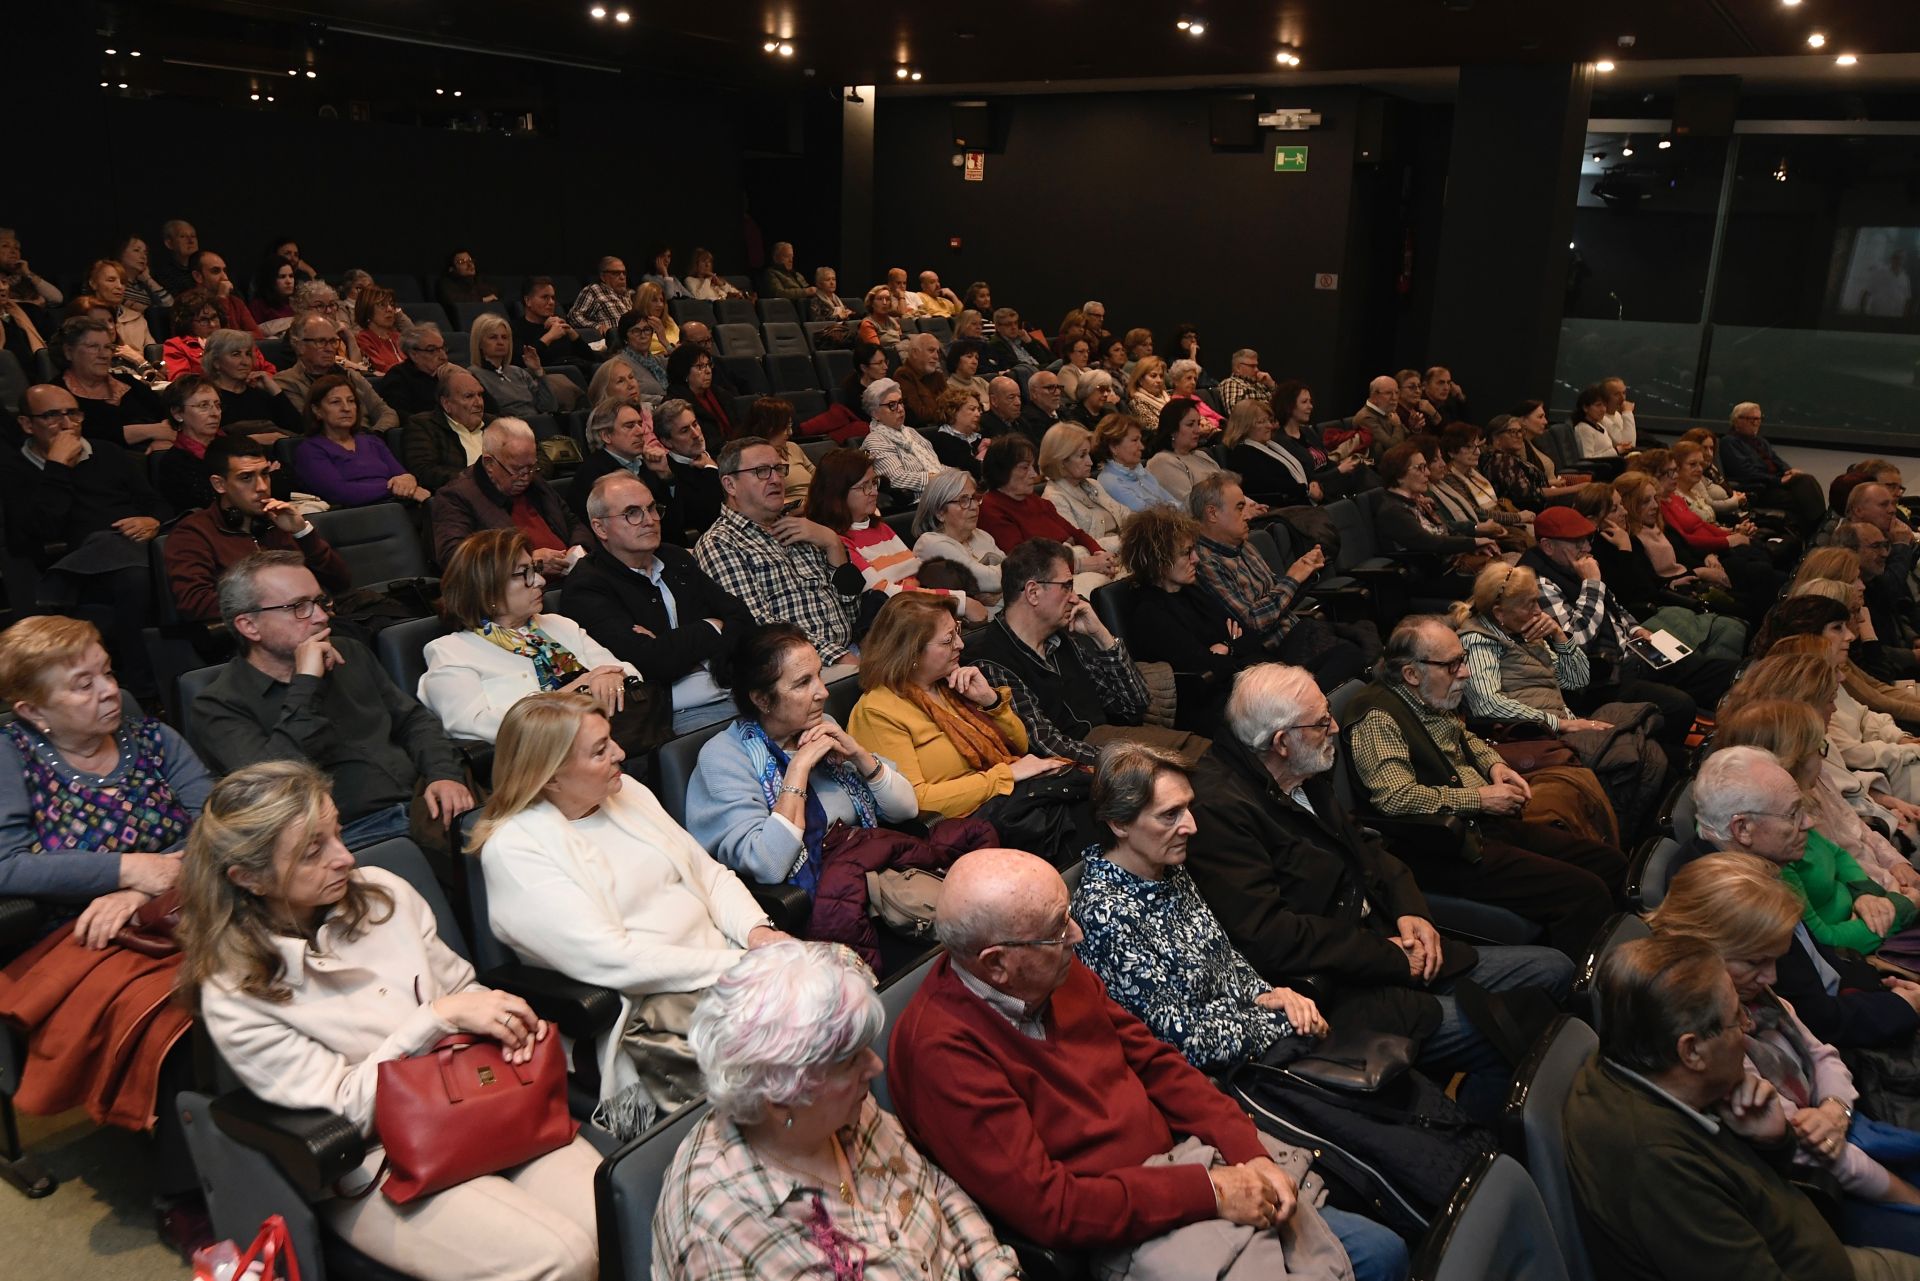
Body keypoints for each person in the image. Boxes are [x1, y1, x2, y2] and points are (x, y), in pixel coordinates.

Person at [888, 847, 1408, 1281]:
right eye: (1055, 930)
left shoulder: (1053, 972)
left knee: (1381, 1249)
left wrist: (1248, 1153)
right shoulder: (942, 1052)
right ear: (996, 963)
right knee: (1371, 1259)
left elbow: (1160, 1065)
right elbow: (1052, 1209)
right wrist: (1210, 1191)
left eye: (1068, 915)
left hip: (1188, 1167)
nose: (1078, 936)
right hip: (1128, 1224)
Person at [177, 761, 601, 1281]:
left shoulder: (382, 892)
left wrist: (502, 1022)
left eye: (336, 832)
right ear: (249, 879)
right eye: (313, 850)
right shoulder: (237, 990)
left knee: (618, 1216)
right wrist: (433, 1022)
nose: (345, 857)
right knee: (561, 1258)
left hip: (480, 1103)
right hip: (379, 1160)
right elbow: (344, 1116)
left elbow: (462, 989)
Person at [1182, 663, 1574, 1113]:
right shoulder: (1219, 812)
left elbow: (1367, 848)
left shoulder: (1301, 770)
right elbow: (1273, 937)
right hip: (1345, 989)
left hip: (1391, 943)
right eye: (1321, 722)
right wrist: (1392, 956)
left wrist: (1413, 910)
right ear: (1281, 743)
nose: (1334, 728)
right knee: (1507, 1036)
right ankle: (1488, 1138)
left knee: (1555, 969)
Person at [469, 692, 786, 1134]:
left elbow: (708, 875)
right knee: (788, 1063)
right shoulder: (517, 847)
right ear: (550, 777)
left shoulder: (625, 791)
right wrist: (741, 965)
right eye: (600, 751)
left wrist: (757, 934)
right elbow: (613, 959)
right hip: (646, 1005)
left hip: (721, 964)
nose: (620, 753)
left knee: (839, 996)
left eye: (610, 740)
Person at [655, 940, 1020, 1281]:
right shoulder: (717, 1234)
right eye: (850, 1061)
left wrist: (996, 1269)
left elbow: (933, 1187)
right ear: (783, 1096)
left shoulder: (843, 1110)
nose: (875, 1067)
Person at [1564, 934, 1920, 1281]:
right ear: (1692, 1052)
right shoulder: (1656, 1164)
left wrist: (1773, 1141)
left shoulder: (1635, 1057)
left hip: (1816, 1251)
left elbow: (1743, 1191)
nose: (1749, 1026)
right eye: (1737, 1018)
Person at [1647, 852, 1920, 1253]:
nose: (1773, 977)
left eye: (1776, 959)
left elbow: (1823, 1055)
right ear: (1699, 946)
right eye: (1757, 961)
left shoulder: (1751, 991)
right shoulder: (1708, 1039)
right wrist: (1911, 1201)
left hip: (1844, 1134)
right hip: (1815, 1189)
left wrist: (1833, 1110)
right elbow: (1823, 1157)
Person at [1344, 616, 1624, 956]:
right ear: (1412, 674)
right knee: (1584, 894)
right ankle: (1581, 991)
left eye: (1462, 660)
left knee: (1610, 863)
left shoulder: (1428, 695)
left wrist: (1496, 765)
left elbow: (1465, 736)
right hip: (1440, 847)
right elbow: (1396, 798)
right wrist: (1479, 799)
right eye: (1452, 665)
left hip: (1482, 825)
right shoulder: (1377, 717)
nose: (1465, 672)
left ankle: (1623, 959)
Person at [684, 624, 938, 959]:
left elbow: (905, 810)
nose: (823, 692)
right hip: (812, 908)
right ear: (761, 699)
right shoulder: (725, 757)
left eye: (819, 675)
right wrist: (799, 768)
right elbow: (768, 865)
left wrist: (859, 755)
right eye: (803, 683)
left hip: (874, 877)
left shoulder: (821, 726)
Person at [1072, 743, 1327, 1075]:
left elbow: (1225, 961)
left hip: (1253, 1042)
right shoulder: (1105, 913)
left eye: (1188, 807)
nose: (1191, 826)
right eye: (1170, 814)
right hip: (1214, 1079)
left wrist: (1275, 996)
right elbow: (1185, 1043)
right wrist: (1283, 1020)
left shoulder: (1165, 867)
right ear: (1119, 824)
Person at [195, 552, 472, 849]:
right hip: (345, 837)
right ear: (249, 626)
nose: (322, 616)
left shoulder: (349, 652)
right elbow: (275, 791)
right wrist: (306, 684)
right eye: (299, 607)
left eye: (320, 601)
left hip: (423, 803)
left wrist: (444, 775)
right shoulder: (218, 705)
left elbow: (413, 721)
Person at [1682, 744, 1920, 1055]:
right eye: (1793, 814)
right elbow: (1816, 1019)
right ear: (1743, 828)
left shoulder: (1755, 860)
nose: (1807, 823)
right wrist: (1903, 1007)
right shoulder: (1730, 899)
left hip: (1854, 986)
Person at [1450, 561, 1669, 836]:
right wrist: (1560, 724)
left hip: (1560, 722)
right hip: (1527, 736)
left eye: (1537, 602)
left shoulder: (1527, 633)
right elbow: (1487, 704)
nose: (1538, 612)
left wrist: (1558, 634)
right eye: (1529, 605)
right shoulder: (1477, 640)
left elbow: (1577, 680)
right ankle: (1617, 837)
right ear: (1499, 612)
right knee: (1632, 756)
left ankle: (1621, 833)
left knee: (1650, 748)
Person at [846, 593, 1086, 828]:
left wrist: (991, 702)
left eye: (957, 631)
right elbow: (917, 801)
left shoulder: (951, 684)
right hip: (969, 826)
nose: (960, 644)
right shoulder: (877, 712)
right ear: (911, 652)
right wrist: (1004, 776)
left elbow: (1021, 747)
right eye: (948, 639)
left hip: (1010, 803)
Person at [1519, 503, 1733, 732]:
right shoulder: (1537, 584)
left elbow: (1617, 609)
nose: (1586, 547)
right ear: (1548, 546)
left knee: (1719, 672)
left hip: (1633, 651)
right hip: (1601, 678)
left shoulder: (1575, 567)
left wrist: (1634, 629)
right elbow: (1576, 641)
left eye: (1587, 539)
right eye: (1576, 542)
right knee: (1680, 705)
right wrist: (1592, 584)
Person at [567, 470, 750, 735]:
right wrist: (712, 626)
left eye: (652, 509)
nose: (650, 520)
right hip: (674, 716)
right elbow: (649, 662)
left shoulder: (675, 558)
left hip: (735, 690)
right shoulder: (588, 585)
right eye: (632, 513)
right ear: (599, 528)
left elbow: (742, 619)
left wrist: (671, 643)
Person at [419, 529, 641, 745]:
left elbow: (628, 671)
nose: (540, 581)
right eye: (524, 573)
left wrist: (611, 678)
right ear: (488, 589)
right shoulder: (451, 652)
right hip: (536, 768)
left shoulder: (558, 625)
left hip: (610, 741)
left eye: (535, 569)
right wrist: (573, 692)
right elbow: (471, 725)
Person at [1189, 471, 1380, 689]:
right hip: (1272, 652)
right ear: (1212, 514)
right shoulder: (1205, 563)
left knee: (1365, 637)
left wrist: (1306, 572)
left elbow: (1278, 597)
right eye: (1239, 507)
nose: (1248, 515)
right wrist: (1293, 578)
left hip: (1296, 632)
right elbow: (1252, 621)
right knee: (1353, 654)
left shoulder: (1244, 546)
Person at [696, 437, 866, 669]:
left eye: (778, 469)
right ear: (730, 485)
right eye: (761, 471)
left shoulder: (803, 528)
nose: (776, 479)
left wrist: (833, 543)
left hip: (852, 650)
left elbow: (853, 612)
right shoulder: (720, 543)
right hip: (796, 668)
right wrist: (839, 657)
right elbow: (760, 628)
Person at [164, 436, 352, 623]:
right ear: (219, 484)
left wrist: (302, 532)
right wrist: (285, 603)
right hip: (248, 642)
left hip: (312, 623)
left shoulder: (280, 521)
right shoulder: (193, 533)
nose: (262, 487)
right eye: (246, 478)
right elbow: (196, 604)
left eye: (265, 474)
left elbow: (340, 581)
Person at [427, 417, 589, 572]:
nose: (526, 477)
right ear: (489, 463)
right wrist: (527, 562)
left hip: (568, 578)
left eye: (532, 467)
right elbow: (454, 558)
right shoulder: (456, 496)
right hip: (512, 591)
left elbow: (573, 522)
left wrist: (578, 548)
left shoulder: (535, 481)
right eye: (517, 469)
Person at [977, 433, 1117, 594]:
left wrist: (1101, 554)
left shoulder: (1032, 499)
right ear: (1002, 470)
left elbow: (1075, 533)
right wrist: (1082, 564)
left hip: (1071, 564)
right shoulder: (991, 508)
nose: (1034, 474)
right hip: (1047, 584)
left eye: (1033, 466)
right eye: (1024, 467)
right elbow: (1025, 562)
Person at [1373, 442, 1501, 592]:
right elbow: (1429, 542)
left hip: (1451, 566)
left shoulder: (1415, 501)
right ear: (1399, 475)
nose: (1427, 473)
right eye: (1420, 468)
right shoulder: (1393, 511)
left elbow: (1444, 530)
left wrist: (1474, 546)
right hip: (1432, 577)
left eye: (1425, 467)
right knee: (1503, 580)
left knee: (1506, 572)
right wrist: (1474, 542)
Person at [293, 373, 427, 509]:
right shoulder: (310, 450)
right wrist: (393, 488)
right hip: (354, 518)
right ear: (317, 411)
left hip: (396, 508)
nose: (346, 408)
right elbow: (340, 493)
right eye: (335, 402)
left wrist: (409, 479)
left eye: (351, 401)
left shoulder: (372, 441)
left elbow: (402, 476)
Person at [54, 315, 172, 450]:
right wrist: (152, 431)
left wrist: (161, 445)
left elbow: (167, 417)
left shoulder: (129, 382)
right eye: (93, 347)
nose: (104, 355)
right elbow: (85, 437)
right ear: (68, 351)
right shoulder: (57, 395)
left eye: (108, 347)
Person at [275, 312, 399, 431]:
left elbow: (387, 413)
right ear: (299, 346)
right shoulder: (287, 381)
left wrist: (375, 435)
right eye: (321, 342)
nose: (330, 349)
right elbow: (309, 425)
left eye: (333, 342)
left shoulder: (351, 376)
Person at [1720, 404, 1825, 533]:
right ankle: (1820, 529)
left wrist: (1789, 472)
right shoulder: (1729, 442)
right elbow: (1745, 472)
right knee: (1802, 497)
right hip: (1760, 488)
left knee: (1804, 480)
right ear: (1737, 421)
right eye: (1751, 419)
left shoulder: (1761, 442)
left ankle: (1820, 528)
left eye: (1758, 419)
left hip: (1775, 483)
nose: (1756, 423)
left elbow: (1777, 462)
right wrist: (1778, 480)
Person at [910, 467, 1005, 598]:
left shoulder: (981, 535)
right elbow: (992, 580)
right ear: (940, 513)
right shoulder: (931, 543)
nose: (974, 506)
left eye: (975, 497)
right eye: (963, 500)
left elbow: (1015, 570)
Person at [1039, 422, 1131, 553]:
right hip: (1103, 562)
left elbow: (1124, 514)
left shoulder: (1092, 483)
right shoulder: (1054, 499)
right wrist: (1128, 540)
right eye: (1082, 456)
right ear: (1061, 461)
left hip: (1125, 551)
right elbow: (1079, 548)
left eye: (1089, 454)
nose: (1090, 462)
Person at [403, 365, 490, 493]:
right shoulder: (423, 426)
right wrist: (477, 477)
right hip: (458, 497)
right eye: (469, 396)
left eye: (480, 395)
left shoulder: (495, 424)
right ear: (447, 404)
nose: (479, 403)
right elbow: (424, 471)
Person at [200, 327, 301, 433]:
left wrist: (275, 390)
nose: (245, 362)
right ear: (216, 362)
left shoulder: (262, 394)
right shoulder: (207, 398)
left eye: (248, 354)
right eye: (236, 354)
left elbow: (298, 429)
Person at [859, 377, 942, 499]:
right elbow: (896, 478)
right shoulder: (875, 441)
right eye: (892, 405)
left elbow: (938, 466)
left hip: (939, 493)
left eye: (901, 402)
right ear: (875, 413)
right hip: (920, 502)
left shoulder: (910, 432)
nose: (901, 409)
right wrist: (939, 480)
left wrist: (955, 475)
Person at [1222, 398, 1314, 508]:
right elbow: (1271, 486)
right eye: (1261, 422)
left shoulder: (1271, 445)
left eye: (1269, 420)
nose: (1270, 426)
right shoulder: (1242, 455)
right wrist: (1306, 490)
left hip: (1299, 500)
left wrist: (1312, 484)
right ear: (1245, 426)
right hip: (1281, 509)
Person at [469, 312, 559, 420]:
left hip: (539, 424)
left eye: (504, 337)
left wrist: (538, 371)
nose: (500, 342)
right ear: (479, 343)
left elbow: (550, 407)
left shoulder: (519, 372)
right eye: (493, 337)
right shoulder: (473, 376)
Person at [1094, 412, 1182, 512]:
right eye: (1135, 440)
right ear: (1114, 447)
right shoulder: (1110, 481)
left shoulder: (1140, 471)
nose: (1142, 447)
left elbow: (1174, 502)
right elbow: (1149, 515)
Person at [1144, 399, 1221, 503]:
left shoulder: (1201, 455)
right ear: (1172, 430)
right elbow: (1189, 507)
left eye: (1198, 423)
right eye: (1190, 425)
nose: (1198, 430)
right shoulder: (1162, 462)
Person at [665, 342, 734, 444]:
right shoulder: (675, 404)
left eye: (708, 365)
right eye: (700, 366)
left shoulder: (721, 394)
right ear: (684, 372)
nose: (708, 371)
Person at [928, 383, 989, 479]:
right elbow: (971, 472)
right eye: (972, 409)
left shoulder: (981, 435)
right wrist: (985, 454)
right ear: (953, 411)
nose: (978, 414)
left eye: (979, 409)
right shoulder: (943, 440)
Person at [893, 332, 948, 428]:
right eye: (931, 351)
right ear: (915, 353)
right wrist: (942, 409)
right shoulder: (903, 375)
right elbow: (920, 415)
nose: (936, 357)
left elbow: (954, 406)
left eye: (937, 352)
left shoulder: (937, 376)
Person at [566, 255, 633, 334]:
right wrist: (596, 326)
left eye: (624, 273)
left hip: (632, 340)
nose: (622, 277)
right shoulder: (594, 290)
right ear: (603, 276)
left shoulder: (628, 294)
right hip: (611, 342)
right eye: (615, 273)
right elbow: (573, 316)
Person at [435, 248, 498, 313]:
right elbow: (453, 300)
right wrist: (482, 300)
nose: (470, 265)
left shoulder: (479, 279)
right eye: (462, 262)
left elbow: (494, 294)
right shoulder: (445, 283)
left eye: (470, 260)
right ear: (452, 269)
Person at [760, 240, 812, 304]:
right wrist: (805, 292)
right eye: (787, 256)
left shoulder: (797, 274)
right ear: (775, 258)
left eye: (792, 257)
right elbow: (778, 293)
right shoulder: (770, 273)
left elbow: (808, 289)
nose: (791, 260)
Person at [943, 339, 991, 407]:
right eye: (969, 356)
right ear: (956, 359)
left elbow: (998, 403)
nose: (975, 362)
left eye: (976, 358)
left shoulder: (981, 382)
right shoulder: (949, 387)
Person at [856, 285, 903, 352]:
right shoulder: (867, 324)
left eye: (887, 299)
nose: (884, 302)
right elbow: (876, 352)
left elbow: (901, 341)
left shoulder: (893, 321)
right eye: (880, 299)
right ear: (871, 303)